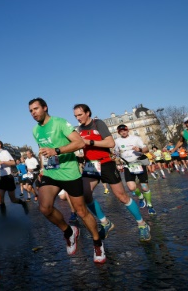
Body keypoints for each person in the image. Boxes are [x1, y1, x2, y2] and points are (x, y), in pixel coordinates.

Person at [28, 98, 105, 263]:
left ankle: (97, 242)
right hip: (51, 173)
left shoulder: (60, 123)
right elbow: (43, 152)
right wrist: (42, 169)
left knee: (81, 211)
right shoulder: (35, 130)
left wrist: (57, 150)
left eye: (36, 109)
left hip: (69, 173)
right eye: (31, 111)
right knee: (44, 208)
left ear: (45, 107)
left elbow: (79, 143)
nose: (33, 113)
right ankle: (69, 232)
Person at [74, 104, 151, 241]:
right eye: (75, 116)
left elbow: (110, 143)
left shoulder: (98, 123)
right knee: (85, 195)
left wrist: (89, 141)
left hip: (106, 163)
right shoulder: (79, 129)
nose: (77, 118)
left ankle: (142, 224)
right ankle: (105, 222)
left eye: (80, 115)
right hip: (91, 165)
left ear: (87, 113)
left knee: (122, 196)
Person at [114, 125, 157, 221]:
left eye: (124, 130)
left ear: (127, 130)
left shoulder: (136, 138)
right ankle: (141, 197)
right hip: (128, 166)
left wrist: (140, 150)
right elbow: (116, 152)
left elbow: (146, 149)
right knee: (131, 187)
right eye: (121, 131)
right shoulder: (117, 141)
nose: (123, 132)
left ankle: (150, 205)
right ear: (118, 132)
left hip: (139, 163)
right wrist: (116, 154)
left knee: (145, 187)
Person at [0, 140, 29, 216]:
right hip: (0, 179)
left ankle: (23, 203)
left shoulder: (5, 152)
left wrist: (3, 162)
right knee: (0, 200)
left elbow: (13, 162)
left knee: (13, 199)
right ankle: (4, 218)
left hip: (8, 177)